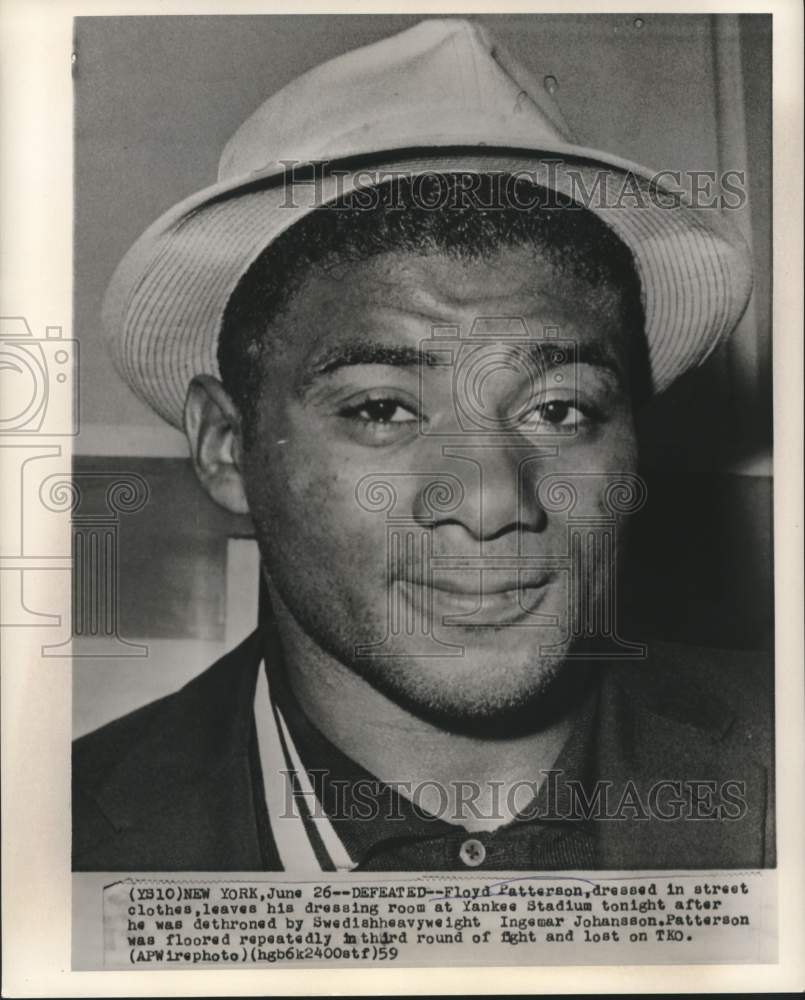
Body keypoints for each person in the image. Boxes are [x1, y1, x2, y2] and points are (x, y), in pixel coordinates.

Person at [73, 18, 773, 872]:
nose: (491, 502)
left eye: (557, 410)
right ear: (227, 447)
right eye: (382, 409)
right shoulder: (49, 845)